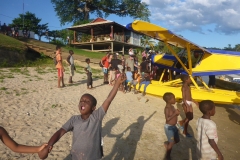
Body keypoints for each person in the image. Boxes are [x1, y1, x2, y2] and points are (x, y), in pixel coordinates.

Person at [38, 74, 126, 160]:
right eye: (81, 100)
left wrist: (117, 83)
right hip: (76, 156)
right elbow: (61, 132)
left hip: (93, 157)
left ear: (93, 108)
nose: (83, 102)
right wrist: (49, 146)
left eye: (87, 101)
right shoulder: (74, 119)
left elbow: (109, 99)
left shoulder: (97, 116)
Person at [163, 92, 180, 160]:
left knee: (177, 140)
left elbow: (174, 115)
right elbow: (167, 119)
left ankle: (168, 144)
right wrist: (175, 113)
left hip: (174, 126)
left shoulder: (172, 107)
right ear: (169, 100)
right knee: (171, 142)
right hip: (169, 127)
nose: (175, 100)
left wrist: (177, 113)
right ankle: (167, 156)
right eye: (174, 98)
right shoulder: (167, 108)